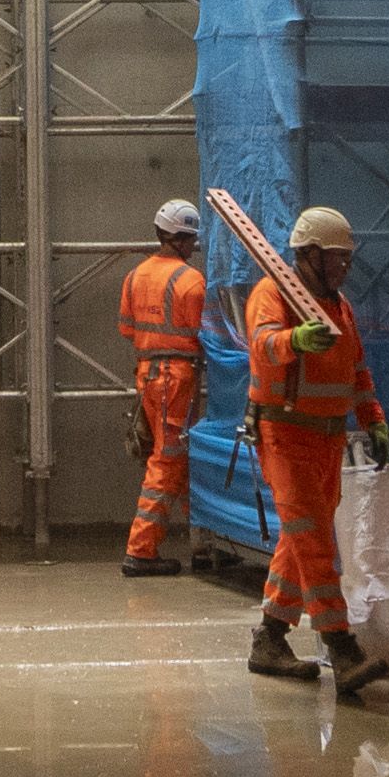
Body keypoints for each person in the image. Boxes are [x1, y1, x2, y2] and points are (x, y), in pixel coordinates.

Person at [243, 201, 387, 689]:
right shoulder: (272, 294)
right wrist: (295, 341)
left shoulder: (339, 307)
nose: (345, 266)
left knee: (301, 539)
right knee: (316, 543)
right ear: (308, 254)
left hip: (327, 440)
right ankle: (341, 649)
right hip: (285, 436)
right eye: (337, 257)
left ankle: (270, 638)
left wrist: (373, 420)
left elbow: (357, 370)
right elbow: (262, 345)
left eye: (347, 258)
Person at [117, 196, 216, 577]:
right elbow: (208, 335)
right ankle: (140, 551)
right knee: (168, 460)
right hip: (175, 379)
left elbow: (127, 329)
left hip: (148, 377)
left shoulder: (135, 276)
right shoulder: (191, 281)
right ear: (183, 239)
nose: (193, 246)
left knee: (181, 458)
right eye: (192, 239)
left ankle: (205, 543)